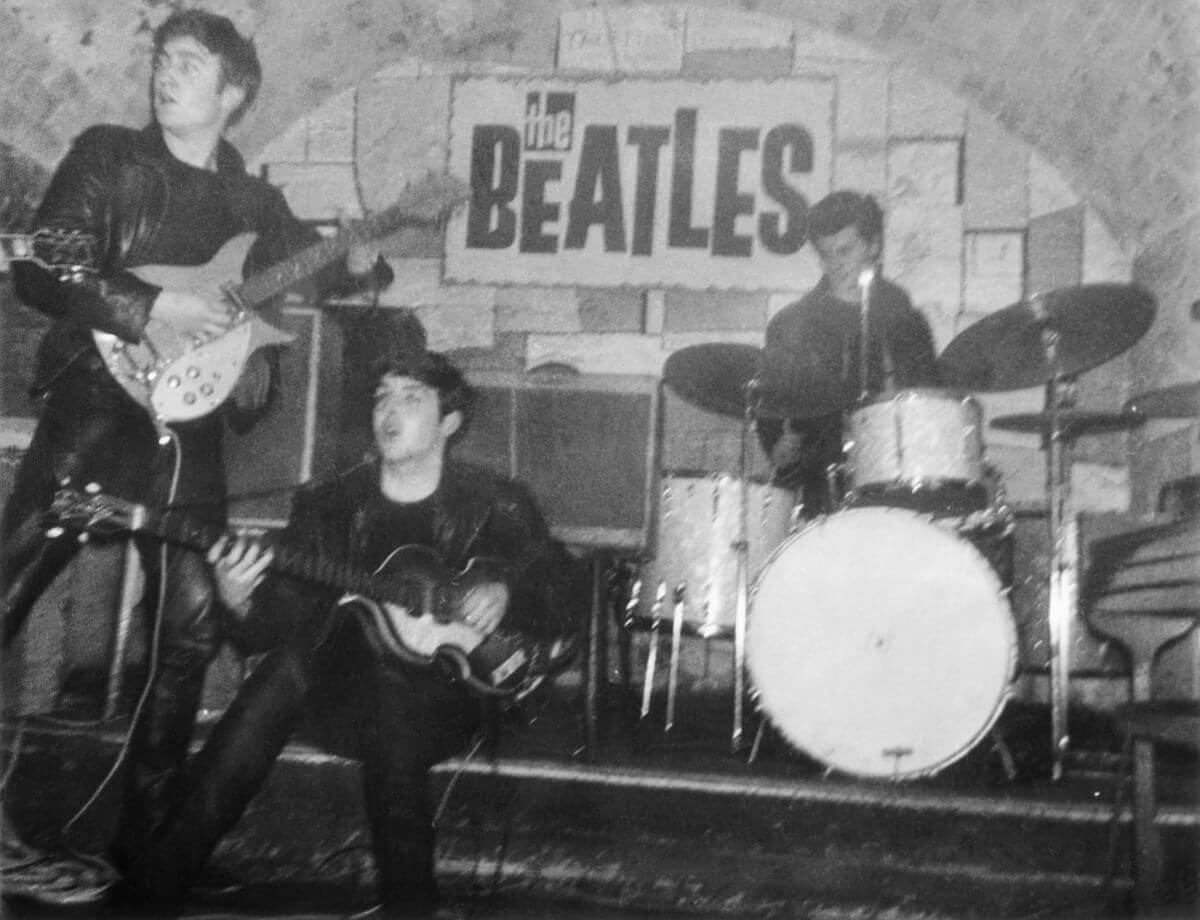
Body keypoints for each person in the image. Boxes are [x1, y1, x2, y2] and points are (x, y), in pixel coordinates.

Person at [1, 6, 390, 890]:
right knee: (8, 591)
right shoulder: (111, 156)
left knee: (188, 632)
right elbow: (41, 265)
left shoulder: (256, 204)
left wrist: (363, 256)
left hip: (189, 429)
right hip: (100, 403)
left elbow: (310, 273)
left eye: (187, 63)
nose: (164, 73)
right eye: (162, 58)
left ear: (234, 92)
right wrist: (152, 306)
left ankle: (148, 849)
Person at [111, 349, 581, 918]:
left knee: (393, 697)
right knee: (285, 669)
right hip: (341, 695)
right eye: (383, 395)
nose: (390, 409)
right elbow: (277, 623)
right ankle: (156, 887)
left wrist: (505, 588)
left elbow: (563, 588)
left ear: (449, 423)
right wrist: (237, 595)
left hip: (451, 696)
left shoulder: (495, 501)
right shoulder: (330, 502)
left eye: (411, 398)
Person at [756, 190, 939, 516]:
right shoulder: (793, 326)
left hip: (899, 488)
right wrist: (779, 447)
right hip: (819, 494)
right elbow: (769, 413)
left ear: (874, 245)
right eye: (826, 255)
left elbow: (930, 410)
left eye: (845, 250)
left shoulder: (907, 323)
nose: (835, 264)